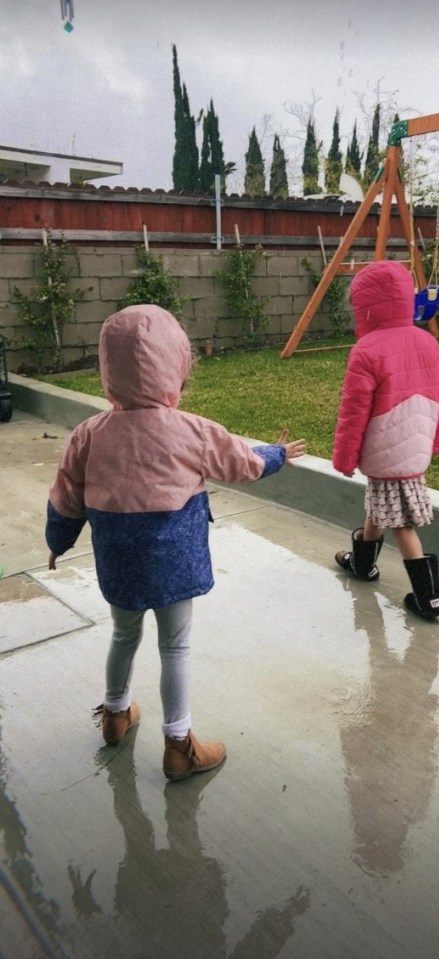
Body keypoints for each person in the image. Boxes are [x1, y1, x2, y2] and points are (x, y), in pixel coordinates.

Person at [46, 304, 306, 781]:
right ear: (177, 368)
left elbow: (66, 496)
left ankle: (116, 714)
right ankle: (179, 745)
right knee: (176, 647)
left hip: (119, 563)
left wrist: (57, 543)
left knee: (124, 634)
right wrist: (276, 455)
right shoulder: (191, 430)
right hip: (175, 563)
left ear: (108, 372)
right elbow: (241, 463)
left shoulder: (89, 434)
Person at [332, 259, 439, 620]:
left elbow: (354, 412)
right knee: (378, 506)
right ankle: (362, 564)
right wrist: (435, 440)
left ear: (363, 306)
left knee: (402, 524)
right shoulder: (426, 340)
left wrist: (345, 458)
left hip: (384, 449)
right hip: (415, 443)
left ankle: (429, 598)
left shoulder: (365, 350)